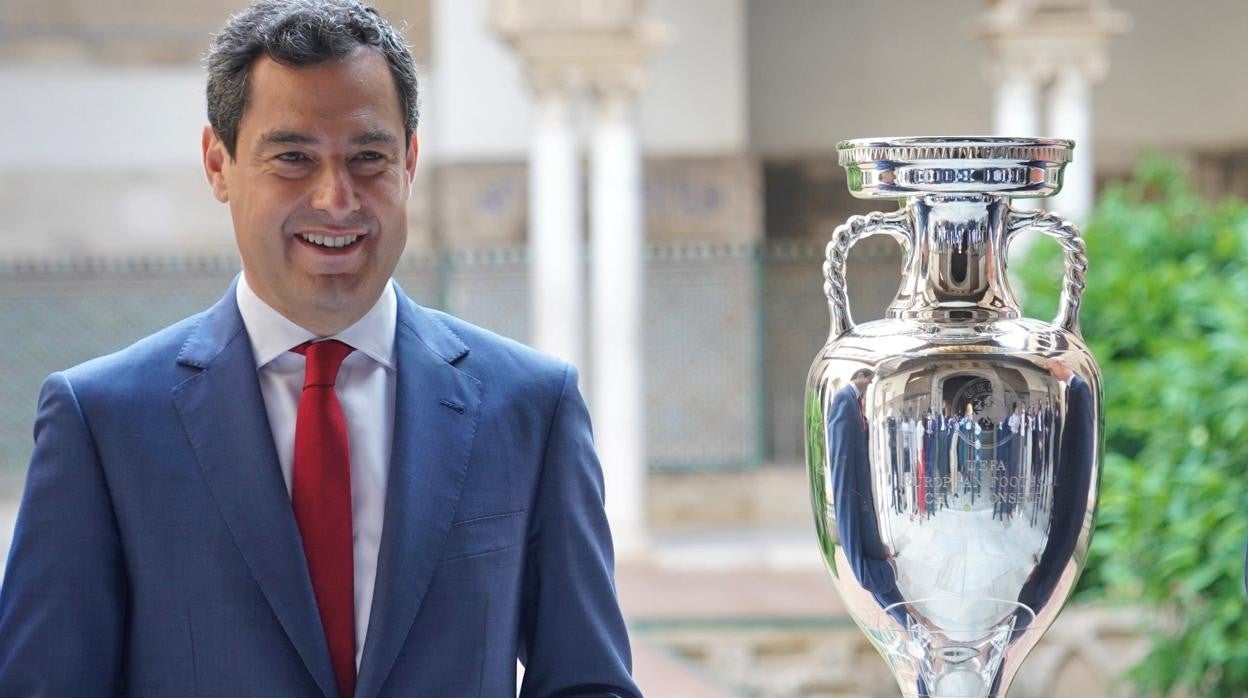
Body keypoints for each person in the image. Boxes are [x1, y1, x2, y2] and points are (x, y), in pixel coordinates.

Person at [0, 1, 639, 696]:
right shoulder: (104, 423)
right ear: (219, 163)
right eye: (293, 158)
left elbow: (588, 683)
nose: (337, 200)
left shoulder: (530, 408)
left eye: (368, 158)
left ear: (410, 162)